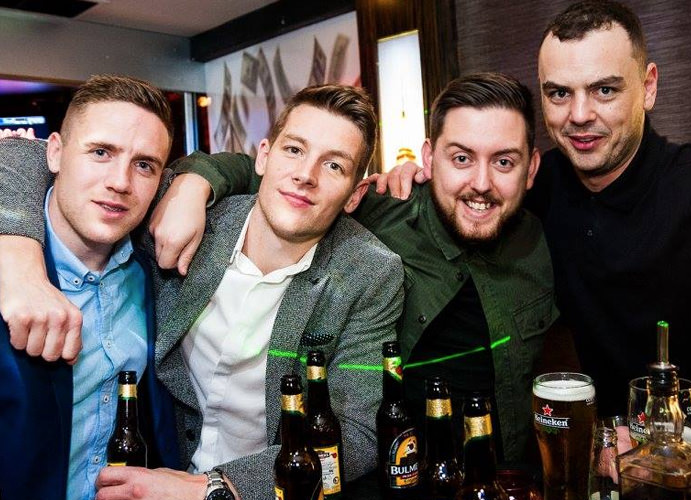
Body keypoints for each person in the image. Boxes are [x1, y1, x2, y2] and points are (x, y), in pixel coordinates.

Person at [367, 1, 691, 496]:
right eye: (558, 93)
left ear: (649, 86)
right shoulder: (538, 188)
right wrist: (403, 184)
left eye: (605, 89)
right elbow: (472, 188)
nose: (579, 115)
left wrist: (684, 460)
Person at [0, 84, 404, 500]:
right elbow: (18, 155)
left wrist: (214, 488)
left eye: (334, 166)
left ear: (356, 194)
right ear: (263, 156)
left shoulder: (368, 272)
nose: (306, 175)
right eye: (294, 150)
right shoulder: (184, 221)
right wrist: (18, 259)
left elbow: (358, 431)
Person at [146, 72, 559, 464]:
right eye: (461, 157)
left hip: (504, 475)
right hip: (396, 474)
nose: (481, 183)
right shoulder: (383, 209)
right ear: (429, 158)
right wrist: (194, 182)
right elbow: (278, 184)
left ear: (532, 169)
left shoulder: (550, 234)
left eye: (504, 162)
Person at [0, 74, 180, 500]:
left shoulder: (155, 268)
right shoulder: (9, 266)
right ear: (56, 152)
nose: (121, 182)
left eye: (144, 165)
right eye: (101, 152)